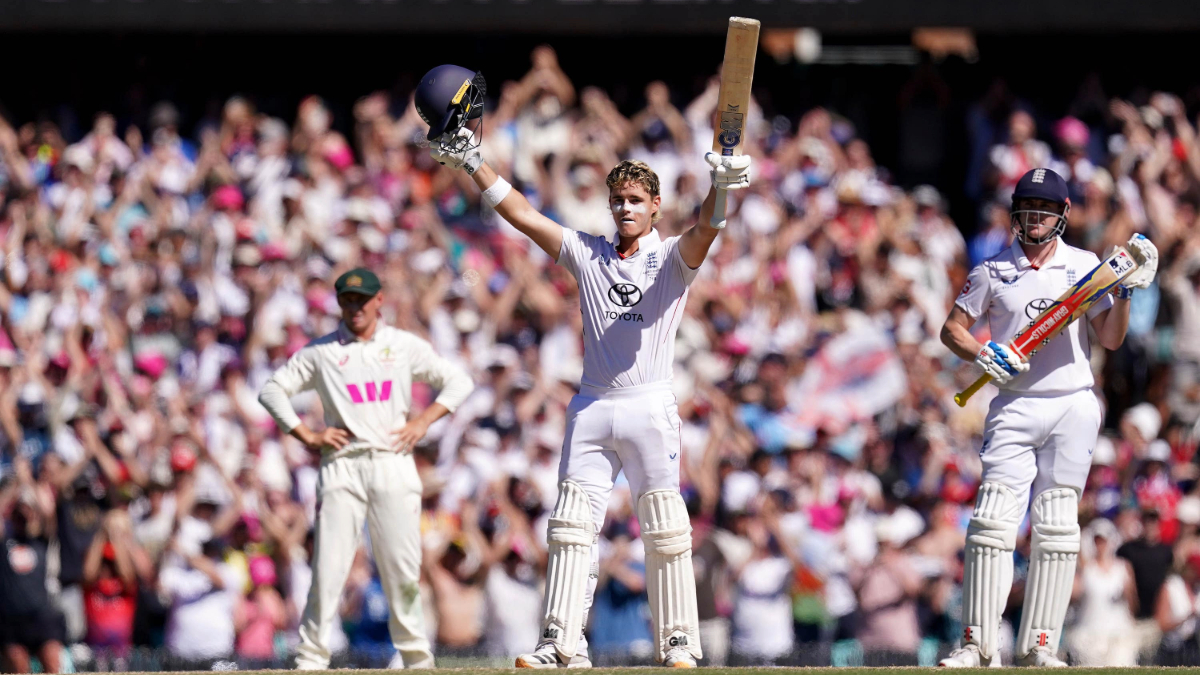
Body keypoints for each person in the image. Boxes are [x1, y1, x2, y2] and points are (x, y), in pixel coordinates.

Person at [421, 64, 750, 668]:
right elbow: (520, 213)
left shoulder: (673, 259)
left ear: (654, 206)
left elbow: (706, 228)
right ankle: (560, 645)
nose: (625, 209)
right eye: (617, 200)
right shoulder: (587, 253)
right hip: (593, 404)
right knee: (571, 527)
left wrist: (722, 189)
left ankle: (679, 642)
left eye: (635, 201)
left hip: (650, 403)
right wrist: (473, 161)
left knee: (666, 528)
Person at [938, 167, 1159, 667]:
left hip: (1071, 402)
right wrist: (981, 353)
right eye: (1026, 209)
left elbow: (1111, 339)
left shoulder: (1086, 266)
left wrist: (1124, 292)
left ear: (1062, 214)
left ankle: (1041, 645)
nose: (1034, 218)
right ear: (1014, 213)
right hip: (1013, 402)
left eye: (1044, 210)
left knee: (1057, 524)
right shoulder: (991, 270)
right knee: (992, 520)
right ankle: (977, 644)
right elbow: (952, 330)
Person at [257, 267, 474, 670]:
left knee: (402, 568)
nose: (355, 307)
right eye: (347, 299)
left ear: (379, 301)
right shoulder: (321, 352)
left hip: (392, 461)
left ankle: (415, 658)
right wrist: (306, 434)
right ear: (339, 303)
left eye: (362, 299)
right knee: (329, 566)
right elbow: (272, 390)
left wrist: (422, 422)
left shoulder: (402, 345)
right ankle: (311, 658)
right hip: (342, 464)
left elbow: (458, 381)